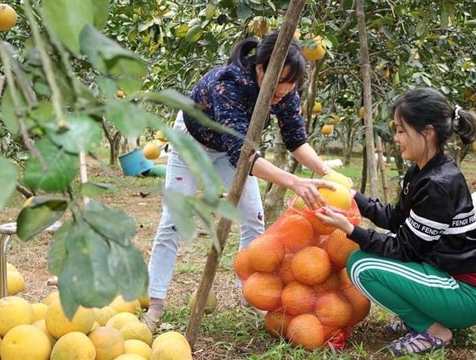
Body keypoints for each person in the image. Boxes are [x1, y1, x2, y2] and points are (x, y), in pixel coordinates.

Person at [142, 30, 345, 330]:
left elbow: (296, 140)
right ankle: (155, 300)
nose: (285, 90)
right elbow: (244, 157)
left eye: (291, 84)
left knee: (254, 217)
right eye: (280, 82)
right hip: (191, 141)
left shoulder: (285, 92)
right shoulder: (228, 84)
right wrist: (294, 182)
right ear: (261, 67)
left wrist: (325, 173)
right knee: (173, 219)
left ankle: (250, 292)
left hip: (232, 150)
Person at [315, 87, 476, 357]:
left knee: (361, 265)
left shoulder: (438, 183)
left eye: (402, 130)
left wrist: (350, 230)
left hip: (464, 294)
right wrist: (354, 197)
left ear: (428, 132)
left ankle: (434, 330)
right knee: (363, 258)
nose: (396, 138)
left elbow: (405, 249)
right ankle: (422, 319)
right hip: (446, 278)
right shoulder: (423, 171)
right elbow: (396, 218)